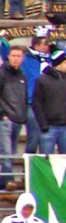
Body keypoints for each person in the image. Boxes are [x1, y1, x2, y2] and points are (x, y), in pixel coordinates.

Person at [32, 50, 66, 154]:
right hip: (49, 127)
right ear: (58, 64)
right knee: (46, 159)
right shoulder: (42, 80)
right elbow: (37, 104)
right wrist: (43, 125)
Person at [0, 46, 27, 190]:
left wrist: (23, 116)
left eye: (19, 56)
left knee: (12, 150)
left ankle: (4, 182)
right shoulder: (2, 74)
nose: (16, 58)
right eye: (13, 55)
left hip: (18, 119)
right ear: (8, 57)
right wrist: (2, 114)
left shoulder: (22, 76)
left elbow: (23, 97)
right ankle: (8, 180)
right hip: (5, 119)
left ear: (22, 58)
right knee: (6, 152)